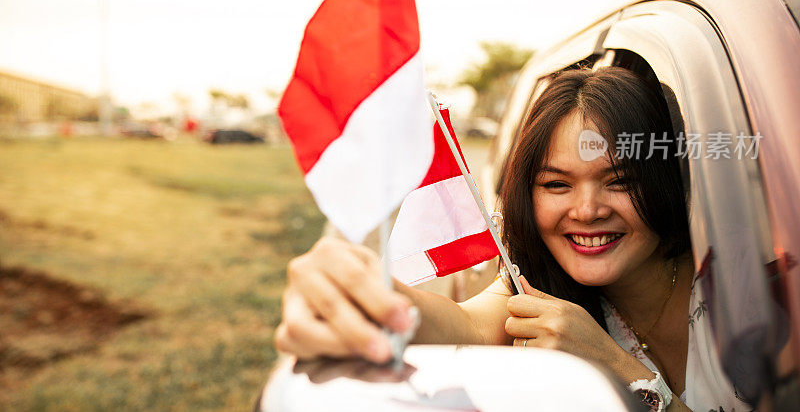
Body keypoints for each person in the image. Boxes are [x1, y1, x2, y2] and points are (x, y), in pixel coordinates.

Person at [275, 67, 751, 412]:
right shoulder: (532, 287)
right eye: (556, 185)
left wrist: (618, 370)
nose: (586, 211)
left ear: (665, 179)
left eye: (619, 180)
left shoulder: (756, 284)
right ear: (526, 192)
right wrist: (357, 291)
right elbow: (460, 324)